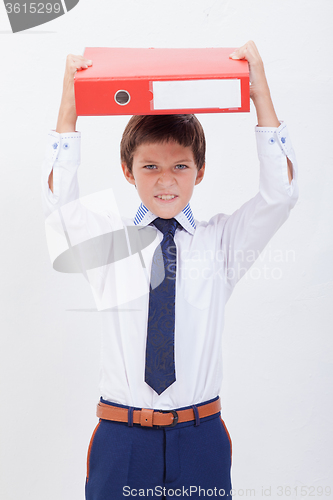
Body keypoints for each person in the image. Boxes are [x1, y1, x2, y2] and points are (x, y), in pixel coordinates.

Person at [42, 41, 298, 499]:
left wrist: (260, 93)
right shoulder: (109, 241)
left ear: (199, 171)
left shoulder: (221, 242)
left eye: (180, 165)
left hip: (200, 435)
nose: (165, 179)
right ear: (127, 170)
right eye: (150, 166)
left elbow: (279, 197)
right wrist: (70, 108)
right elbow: (60, 203)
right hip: (123, 437)